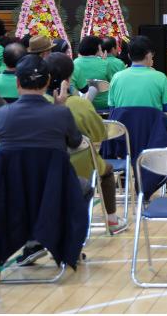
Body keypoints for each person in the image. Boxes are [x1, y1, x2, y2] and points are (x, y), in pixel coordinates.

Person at [0, 54, 85, 265]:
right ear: (47, 82)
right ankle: (69, 247)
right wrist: (61, 108)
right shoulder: (60, 113)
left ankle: (32, 243)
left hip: (13, 195)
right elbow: (75, 142)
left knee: (30, 190)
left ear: (17, 83)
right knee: (84, 188)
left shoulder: (3, 113)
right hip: (55, 191)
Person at [45, 53, 124, 233]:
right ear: (70, 77)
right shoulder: (80, 104)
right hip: (80, 167)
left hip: (42, 167)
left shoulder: (37, 103)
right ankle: (111, 219)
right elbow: (100, 134)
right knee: (107, 171)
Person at [107, 36, 167, 112]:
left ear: (129, 55)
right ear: (149, 55)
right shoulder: (160, 77)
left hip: (124, 123)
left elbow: (112, 108)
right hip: (151, 123)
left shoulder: (116, 77)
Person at [73, 36, 114, 111]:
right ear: (98, 48)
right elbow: (111, 83)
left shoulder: (75, 63)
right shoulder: (105, 64)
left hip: (83, 103)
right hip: (103, 104)